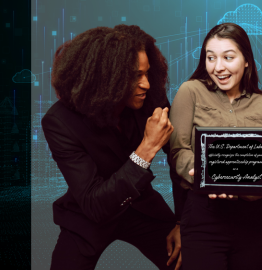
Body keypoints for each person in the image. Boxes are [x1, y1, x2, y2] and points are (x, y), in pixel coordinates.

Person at [42, 25, 182, 270]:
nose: (146, 84)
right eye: (135, 76)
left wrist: (184, 222)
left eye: (147, 73)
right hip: (89, 214)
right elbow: (94, 203)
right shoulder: (60, 122)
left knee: (189, 259)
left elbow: (181, 161)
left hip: (143, 206)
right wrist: (147, 148)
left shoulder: (152, 99)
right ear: (106, 77)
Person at [169, 23, 262, 270]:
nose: (218, 67)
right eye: (210, 58)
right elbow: (178, 152)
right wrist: (213, 176)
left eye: (228, 57)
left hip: (253, 219)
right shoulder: (190, 91)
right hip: (204, 214)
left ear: (246, 61)